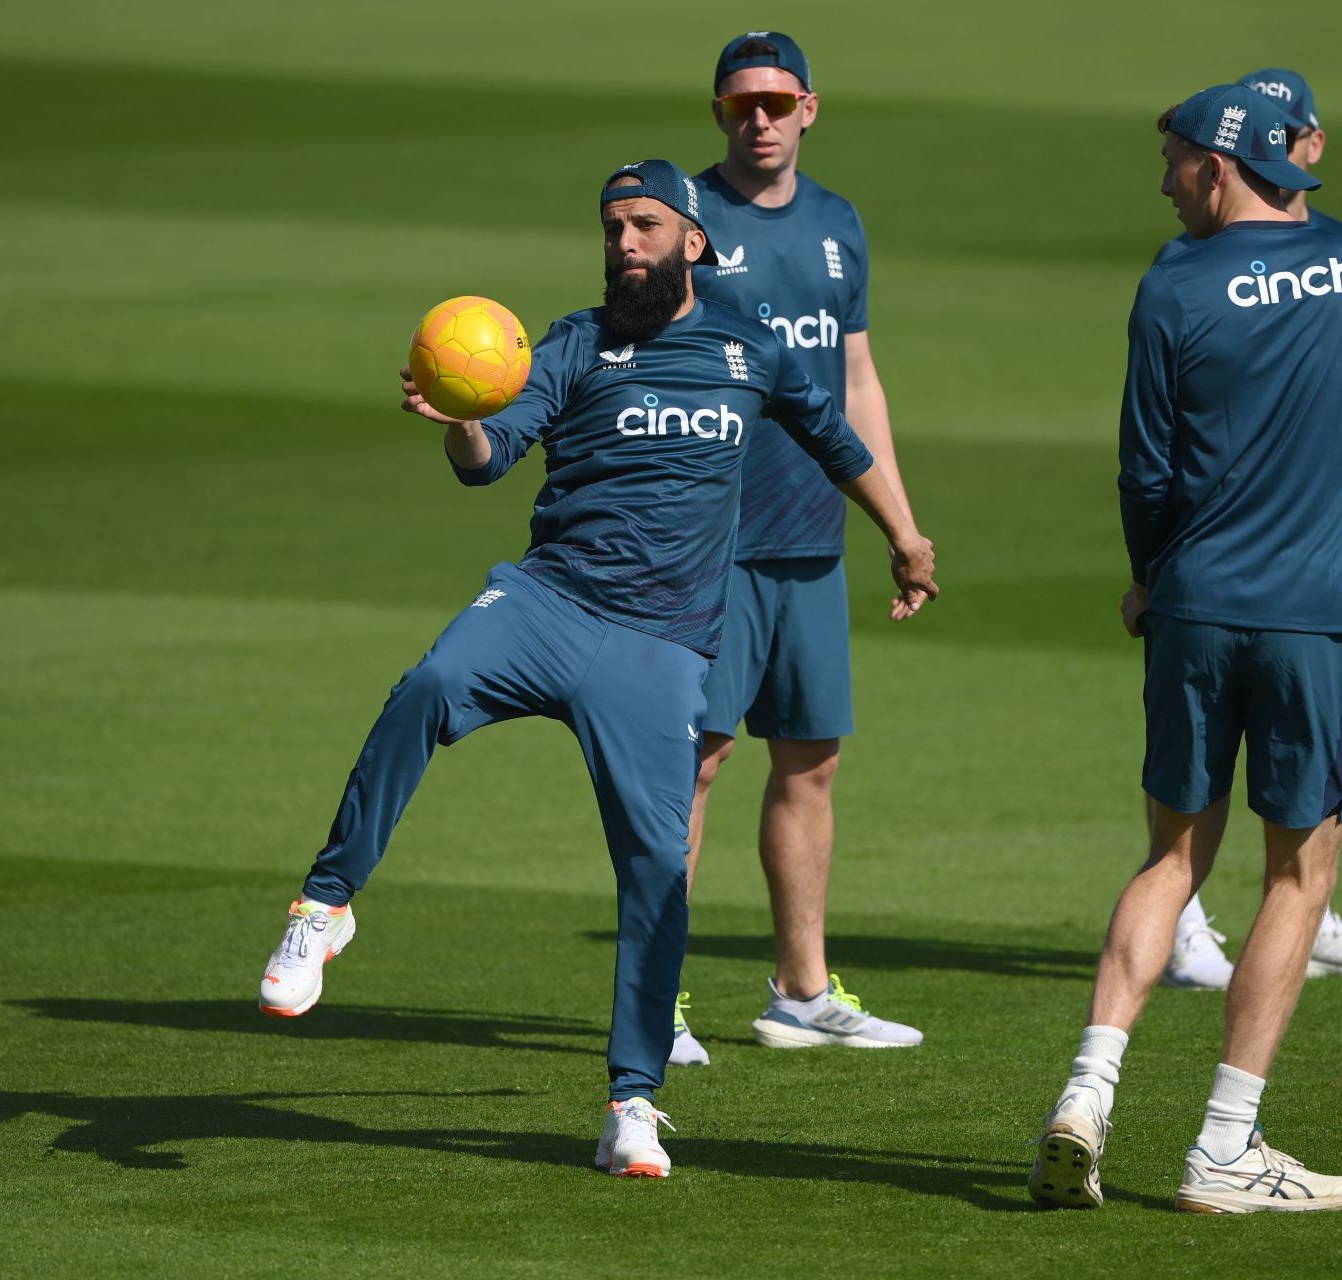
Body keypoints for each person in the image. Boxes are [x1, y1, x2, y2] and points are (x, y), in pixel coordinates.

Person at [255, 159, 938, 1179]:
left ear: (693, 242)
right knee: (431, 686)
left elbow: (837, 440)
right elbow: (491, 462)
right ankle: (324, 905)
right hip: (547, 602)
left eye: (645, 226)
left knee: (657, 870)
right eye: (612, 226)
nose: (624, 242)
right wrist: (461, 423)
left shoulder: (750, 352)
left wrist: (905, 534)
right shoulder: (574, 343)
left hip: (661, 645)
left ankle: (633, 1102)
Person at [1028, 84, 1342, 1214]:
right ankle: (1225, 1146)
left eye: (1180, 160)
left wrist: (1150, 575)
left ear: (1225, 165)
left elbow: (1144, 468)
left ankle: (1087, 1093)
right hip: (1314, 621)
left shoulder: (1173, 283)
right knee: (1299, 870)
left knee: (1171, 859)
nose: (1169, 179)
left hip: (1194, 609)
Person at [670, 30, 924, 1067]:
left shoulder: (838, 224)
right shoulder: (680, 214)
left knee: (809, 763)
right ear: (719, 113)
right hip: (708, 541)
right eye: (741, 105)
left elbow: (856, 379)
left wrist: (900, 524)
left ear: (810, 108)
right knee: (692, 765)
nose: (760, 120)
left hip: (812, 534)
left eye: (777, 102)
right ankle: (655, 999)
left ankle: (803, 991)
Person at [1157, 67, 1342, 991]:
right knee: (1191, 807)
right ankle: (1196, 928)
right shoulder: (1205, 268)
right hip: (1241, 577)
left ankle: (1304, 909)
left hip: (1294, 565)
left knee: (1277, 789)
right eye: (1293, 136)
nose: (1307, 151)